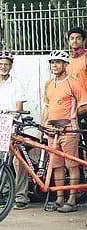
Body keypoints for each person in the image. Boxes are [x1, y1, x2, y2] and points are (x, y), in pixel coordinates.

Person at [40, 50, 87, 213]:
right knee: (56, 165)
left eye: (58, 62)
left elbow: (84, 105)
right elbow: (47, 107)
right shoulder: (48, 83)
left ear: (65, 65)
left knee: (72, 164)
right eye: (52, 63)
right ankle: (59, 198)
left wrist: (70, 119)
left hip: (68, 130)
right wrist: (42, 126)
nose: (55, 65)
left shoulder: (73, 83)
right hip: (52, 131)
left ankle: (72, 199)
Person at [0, 51, 28, 209]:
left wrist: (10, 117)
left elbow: (19, 108)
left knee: (17, 162)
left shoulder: (16, 83)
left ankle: (21, 196)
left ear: (10, 66)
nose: (3, 67)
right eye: (0, 64)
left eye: (6, 64)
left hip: (14, 127)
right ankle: (3, 193)